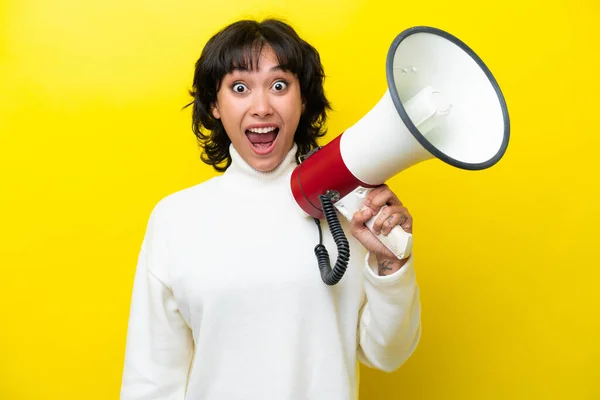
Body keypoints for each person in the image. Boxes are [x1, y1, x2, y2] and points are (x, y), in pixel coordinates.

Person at [120, 18, 421, 400]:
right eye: (240, 87)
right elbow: (151, 380)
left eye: (279, 86)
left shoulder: (350, 211)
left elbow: (389, 354)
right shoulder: (175, 218)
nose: (261, 107)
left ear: (303, 99)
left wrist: (390, 264)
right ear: (214, 104)